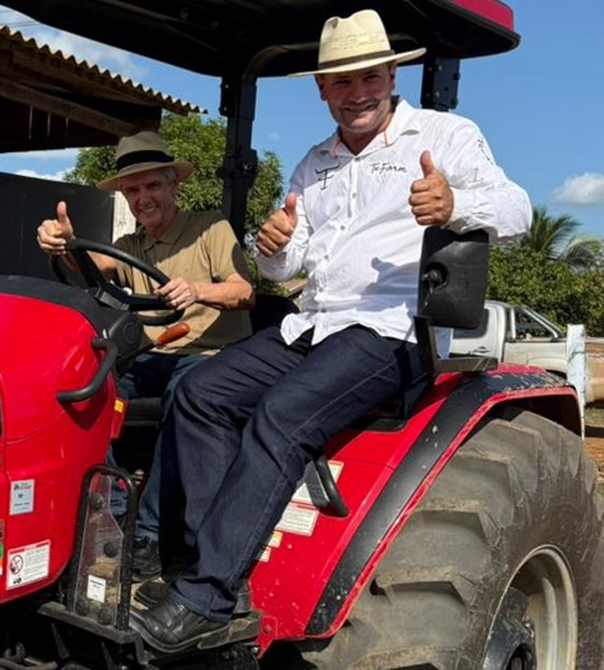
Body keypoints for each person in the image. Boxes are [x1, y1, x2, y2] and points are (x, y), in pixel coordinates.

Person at [128, 9, 531, 653]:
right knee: (200, 392)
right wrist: (272, 246)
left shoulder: (445, 136)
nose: (357, 93)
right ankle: (207, 567)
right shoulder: (314, 164)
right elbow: (288, 268)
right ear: (322, 90)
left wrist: (456, 206)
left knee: (284, 415)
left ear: (392, 73)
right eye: (341, 83)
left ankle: (205, 597)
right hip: (314, 323)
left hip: (395, 331)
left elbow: (516, 210)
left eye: (369, 76)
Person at [36, 130, 255, 580]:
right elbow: (90, 269)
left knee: (188, 394)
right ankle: (110, 513)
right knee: (84, 390)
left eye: (153, 185)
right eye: (133, 190)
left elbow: (244, 291)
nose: (143, 197)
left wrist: (198, 290)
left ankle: (151, 535)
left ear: (174, 185)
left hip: (211, 354)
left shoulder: (210, 228)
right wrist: (64, 244)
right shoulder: (132, 245)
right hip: (154, 354)